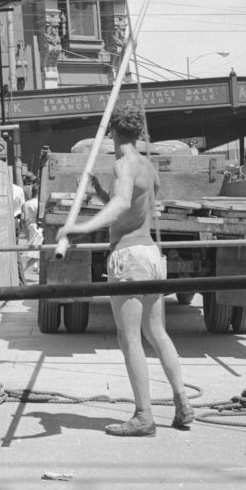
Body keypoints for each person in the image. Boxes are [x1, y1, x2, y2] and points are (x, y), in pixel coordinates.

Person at [60, 102, 192, 437]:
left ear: (112, 132)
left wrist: (81, 228)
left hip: (129, 256)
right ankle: (182, 402)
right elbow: (139, 202)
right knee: (157, 332)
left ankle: (143, 416)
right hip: (149, 253)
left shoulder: (123, 165)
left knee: (129, 337)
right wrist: (102, 193)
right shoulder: (147, 166)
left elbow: (122, 205)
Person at [18, 181, 42, 285]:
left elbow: (23, 218)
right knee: (37, 252)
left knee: (35, 251)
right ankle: (23, 270)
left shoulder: (27, 204)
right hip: (38, 228)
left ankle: (36, 269)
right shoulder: (39, 203)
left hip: (29, 227)